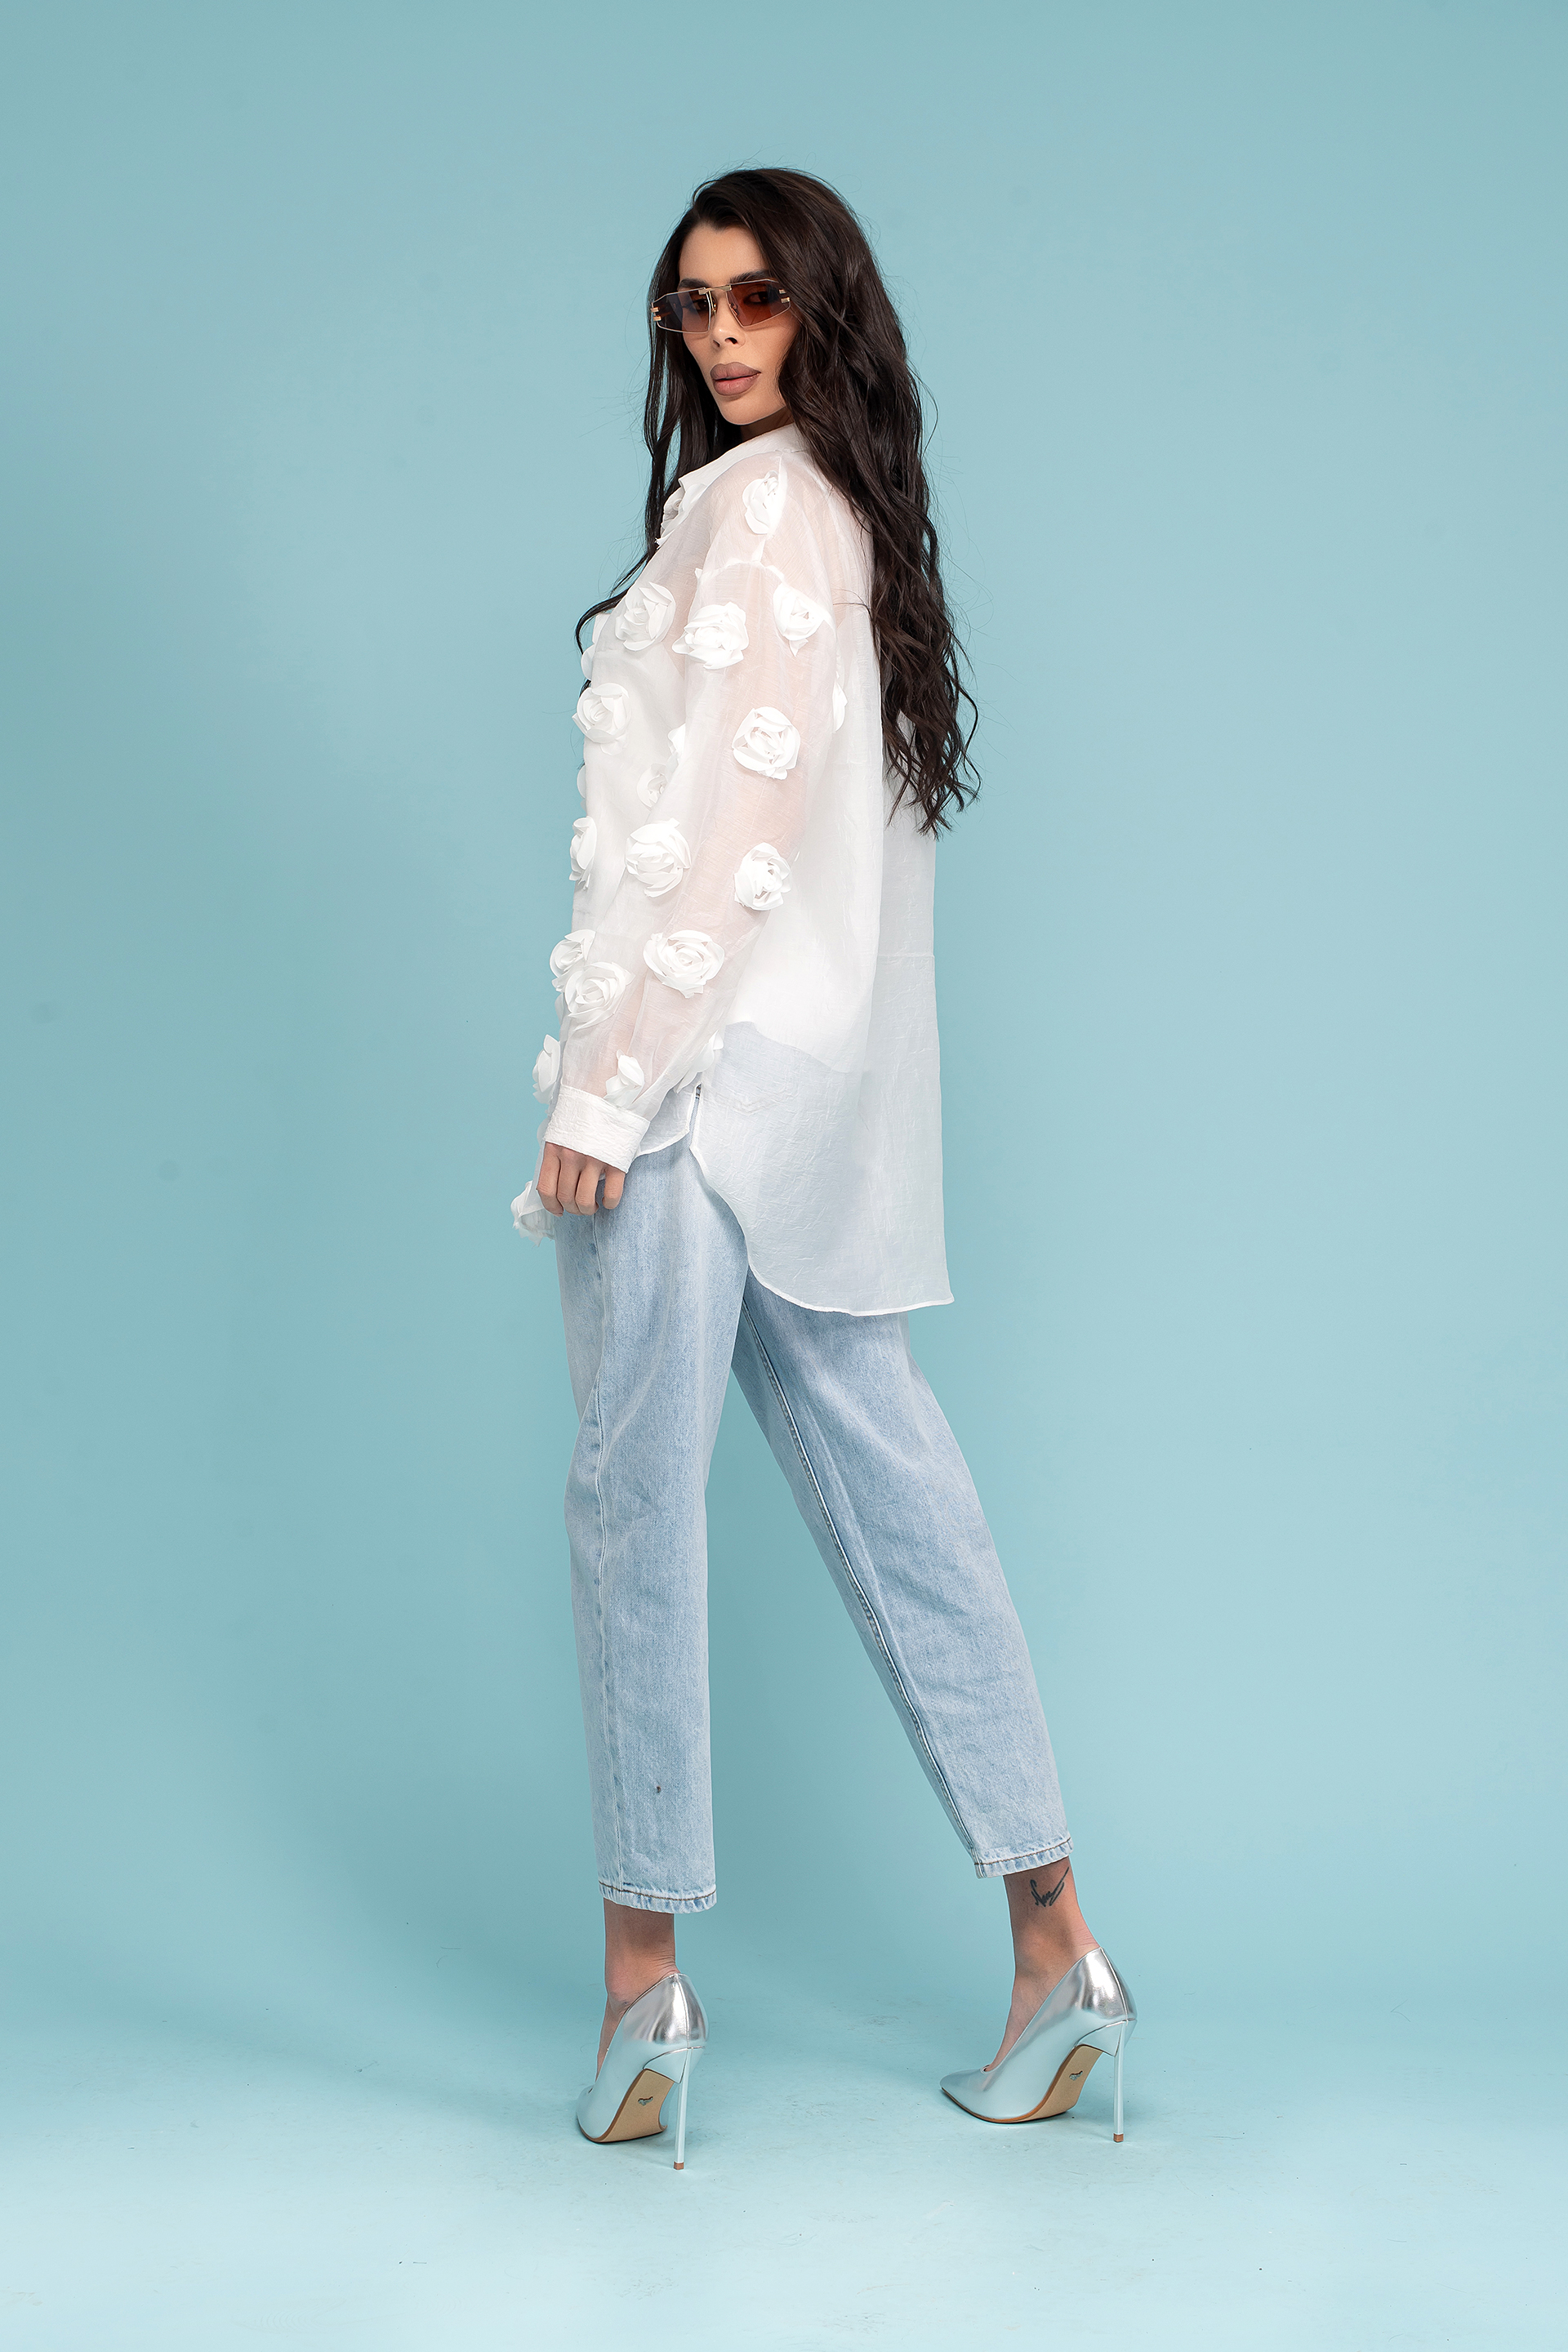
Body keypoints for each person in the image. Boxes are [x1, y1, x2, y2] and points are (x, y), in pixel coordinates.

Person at [512, 168, 1134, 2169]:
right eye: (692, 304)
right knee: (894, 1495)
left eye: (758, 300)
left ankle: (641, 1992)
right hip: (800, 1104)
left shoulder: (762, 510)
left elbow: (727, 839)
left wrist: (607, 1088)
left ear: (821, 310)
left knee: (633, 1498)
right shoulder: (837, 515)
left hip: (694, 1095)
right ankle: (1058, 1954)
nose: (719, 336)